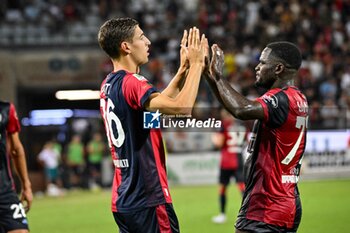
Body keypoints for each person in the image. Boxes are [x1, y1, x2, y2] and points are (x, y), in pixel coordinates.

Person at [97, 17, 207, 232]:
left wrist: (183, 71)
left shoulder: (109, 84)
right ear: (126, 46)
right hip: (147, 197)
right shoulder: (133, 82)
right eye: (141, 37)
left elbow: (152, 116)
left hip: (124, 198)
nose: (148, 42)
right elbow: (182, 108)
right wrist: (197, 65)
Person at [205, 42, 308, 233]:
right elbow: (234, 107)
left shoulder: (280, 99)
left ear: (278, 68)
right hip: (286, 201)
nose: (257, 67)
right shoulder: (297, 97)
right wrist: (209, 76)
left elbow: (241, 109)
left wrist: (219, 76)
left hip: (266, 206)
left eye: (262, 63)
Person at [0, 100, 32, 233]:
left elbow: (16, 149)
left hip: (5, 192)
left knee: (20, 230)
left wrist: (26, 185)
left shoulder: (6, 110)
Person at [211, 109, 246, 224]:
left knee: (222, 188)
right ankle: (249, 213)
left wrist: (213, 137)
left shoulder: (224, 126)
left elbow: (219, 143)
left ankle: (222, 215)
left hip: (227, 161)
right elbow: (246, 140)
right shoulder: (241, 126)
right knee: (242, 187)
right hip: (239, 158)